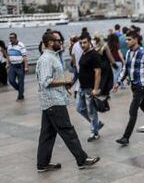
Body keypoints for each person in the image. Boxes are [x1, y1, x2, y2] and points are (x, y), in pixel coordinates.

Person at [35, 31, 100, 173]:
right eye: (59, 40)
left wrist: (63, 87)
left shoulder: (51, 57)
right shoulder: (47, 59)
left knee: (47, 134)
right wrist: (65, 81)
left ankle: (42, 164)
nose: (61, 42)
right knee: (68, 131)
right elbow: (46, 81)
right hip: (53, 102)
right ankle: (82, 159)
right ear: (51, 42)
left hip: (50, 102)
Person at [114, 30, 144, 146]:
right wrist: (118, 82)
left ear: (136, 39)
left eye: (129, 39)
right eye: (126, 39)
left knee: (133, 110)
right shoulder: (128, 53)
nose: (127, 41)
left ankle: (126, 137)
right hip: (133, 85)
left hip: (141, 86)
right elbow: (125, 69)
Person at [77, 33, 104, 142]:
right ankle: (97, 124)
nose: (82, 45)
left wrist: (95, 89)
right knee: (79, 108)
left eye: (84, 42)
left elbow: (98, 72)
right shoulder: (84, 53)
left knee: (91, 111)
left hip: (89, 88)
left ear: (89, 42)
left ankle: (94, 133)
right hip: (82, 87)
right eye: (80, 43)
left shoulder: (94, 55)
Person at [7, 33, 28, 101]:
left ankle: (20, 96)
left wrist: (26, 67)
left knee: (20, 82)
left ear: (16, 38)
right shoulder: (9, 45)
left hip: (20, 66)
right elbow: (8, 55)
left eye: (12, 38)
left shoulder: (21, 45)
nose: (11, 39)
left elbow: (25, 57)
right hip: (12, 66)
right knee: (11, 80)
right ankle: (20, 90)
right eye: (10, 38)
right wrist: (8, 63)